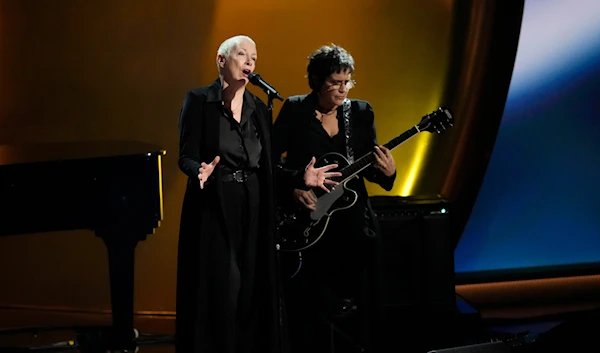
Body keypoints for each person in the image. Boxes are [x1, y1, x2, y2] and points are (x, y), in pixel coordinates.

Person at [175, 35, 341, 353]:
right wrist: (199, 170)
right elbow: (186, 155)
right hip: (216, 200)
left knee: (251, 284)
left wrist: (299, 178)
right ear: (221, 60)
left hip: (254, 202)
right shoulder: (198, 100)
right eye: (242, 54)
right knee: (222, 284)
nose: (250, 61)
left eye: (254, 56)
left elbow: (267, 166)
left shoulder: (257, 107)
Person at [272, 43, 397, 353]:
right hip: (309, 226)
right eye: (335, 83)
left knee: (356, 310)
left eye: (347, 82)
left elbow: (374, 172)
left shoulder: (361, 112)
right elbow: (268, 165)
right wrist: (294, 189)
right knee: (310, 312)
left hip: (351, 226)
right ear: (316, 81)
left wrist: (389, 172)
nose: (343, 90)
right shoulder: (295, 110)